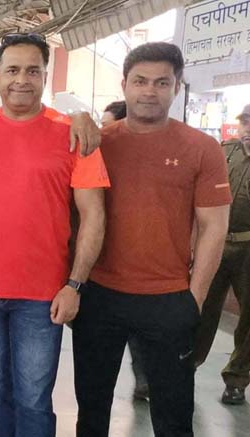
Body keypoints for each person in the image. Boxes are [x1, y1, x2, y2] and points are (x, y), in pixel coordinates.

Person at [0, 33, 109, 437]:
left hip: (43, 295)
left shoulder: (72, 134)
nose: (22, 79)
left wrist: (75, 285)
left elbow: (93, 214)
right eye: (12, 70)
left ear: (45, 76)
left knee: (33, 396)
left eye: (33, 70)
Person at [72, 42, 231, 437]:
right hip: (100, 297)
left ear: (177, 87)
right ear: (124, 84)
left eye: (162, 82)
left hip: (167, 299)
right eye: (140, 81)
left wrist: (193, 298)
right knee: (91, 409)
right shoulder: (98, 143)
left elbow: (214, 227)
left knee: (174, 414)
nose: (149, 91)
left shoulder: (202, 148)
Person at [194, 101, 250, 405]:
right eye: (245, 122)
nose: (249, 128)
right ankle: (185, 365)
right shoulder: (225, 153)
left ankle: (237, 378)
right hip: (216, 244)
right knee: (199, 307)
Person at [99, 99, 150, 401]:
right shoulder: (97, 153)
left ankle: (145, 378)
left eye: (107, 125)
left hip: (143, 279)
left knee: (139, 337)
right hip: (102, 278)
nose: (101, 131)